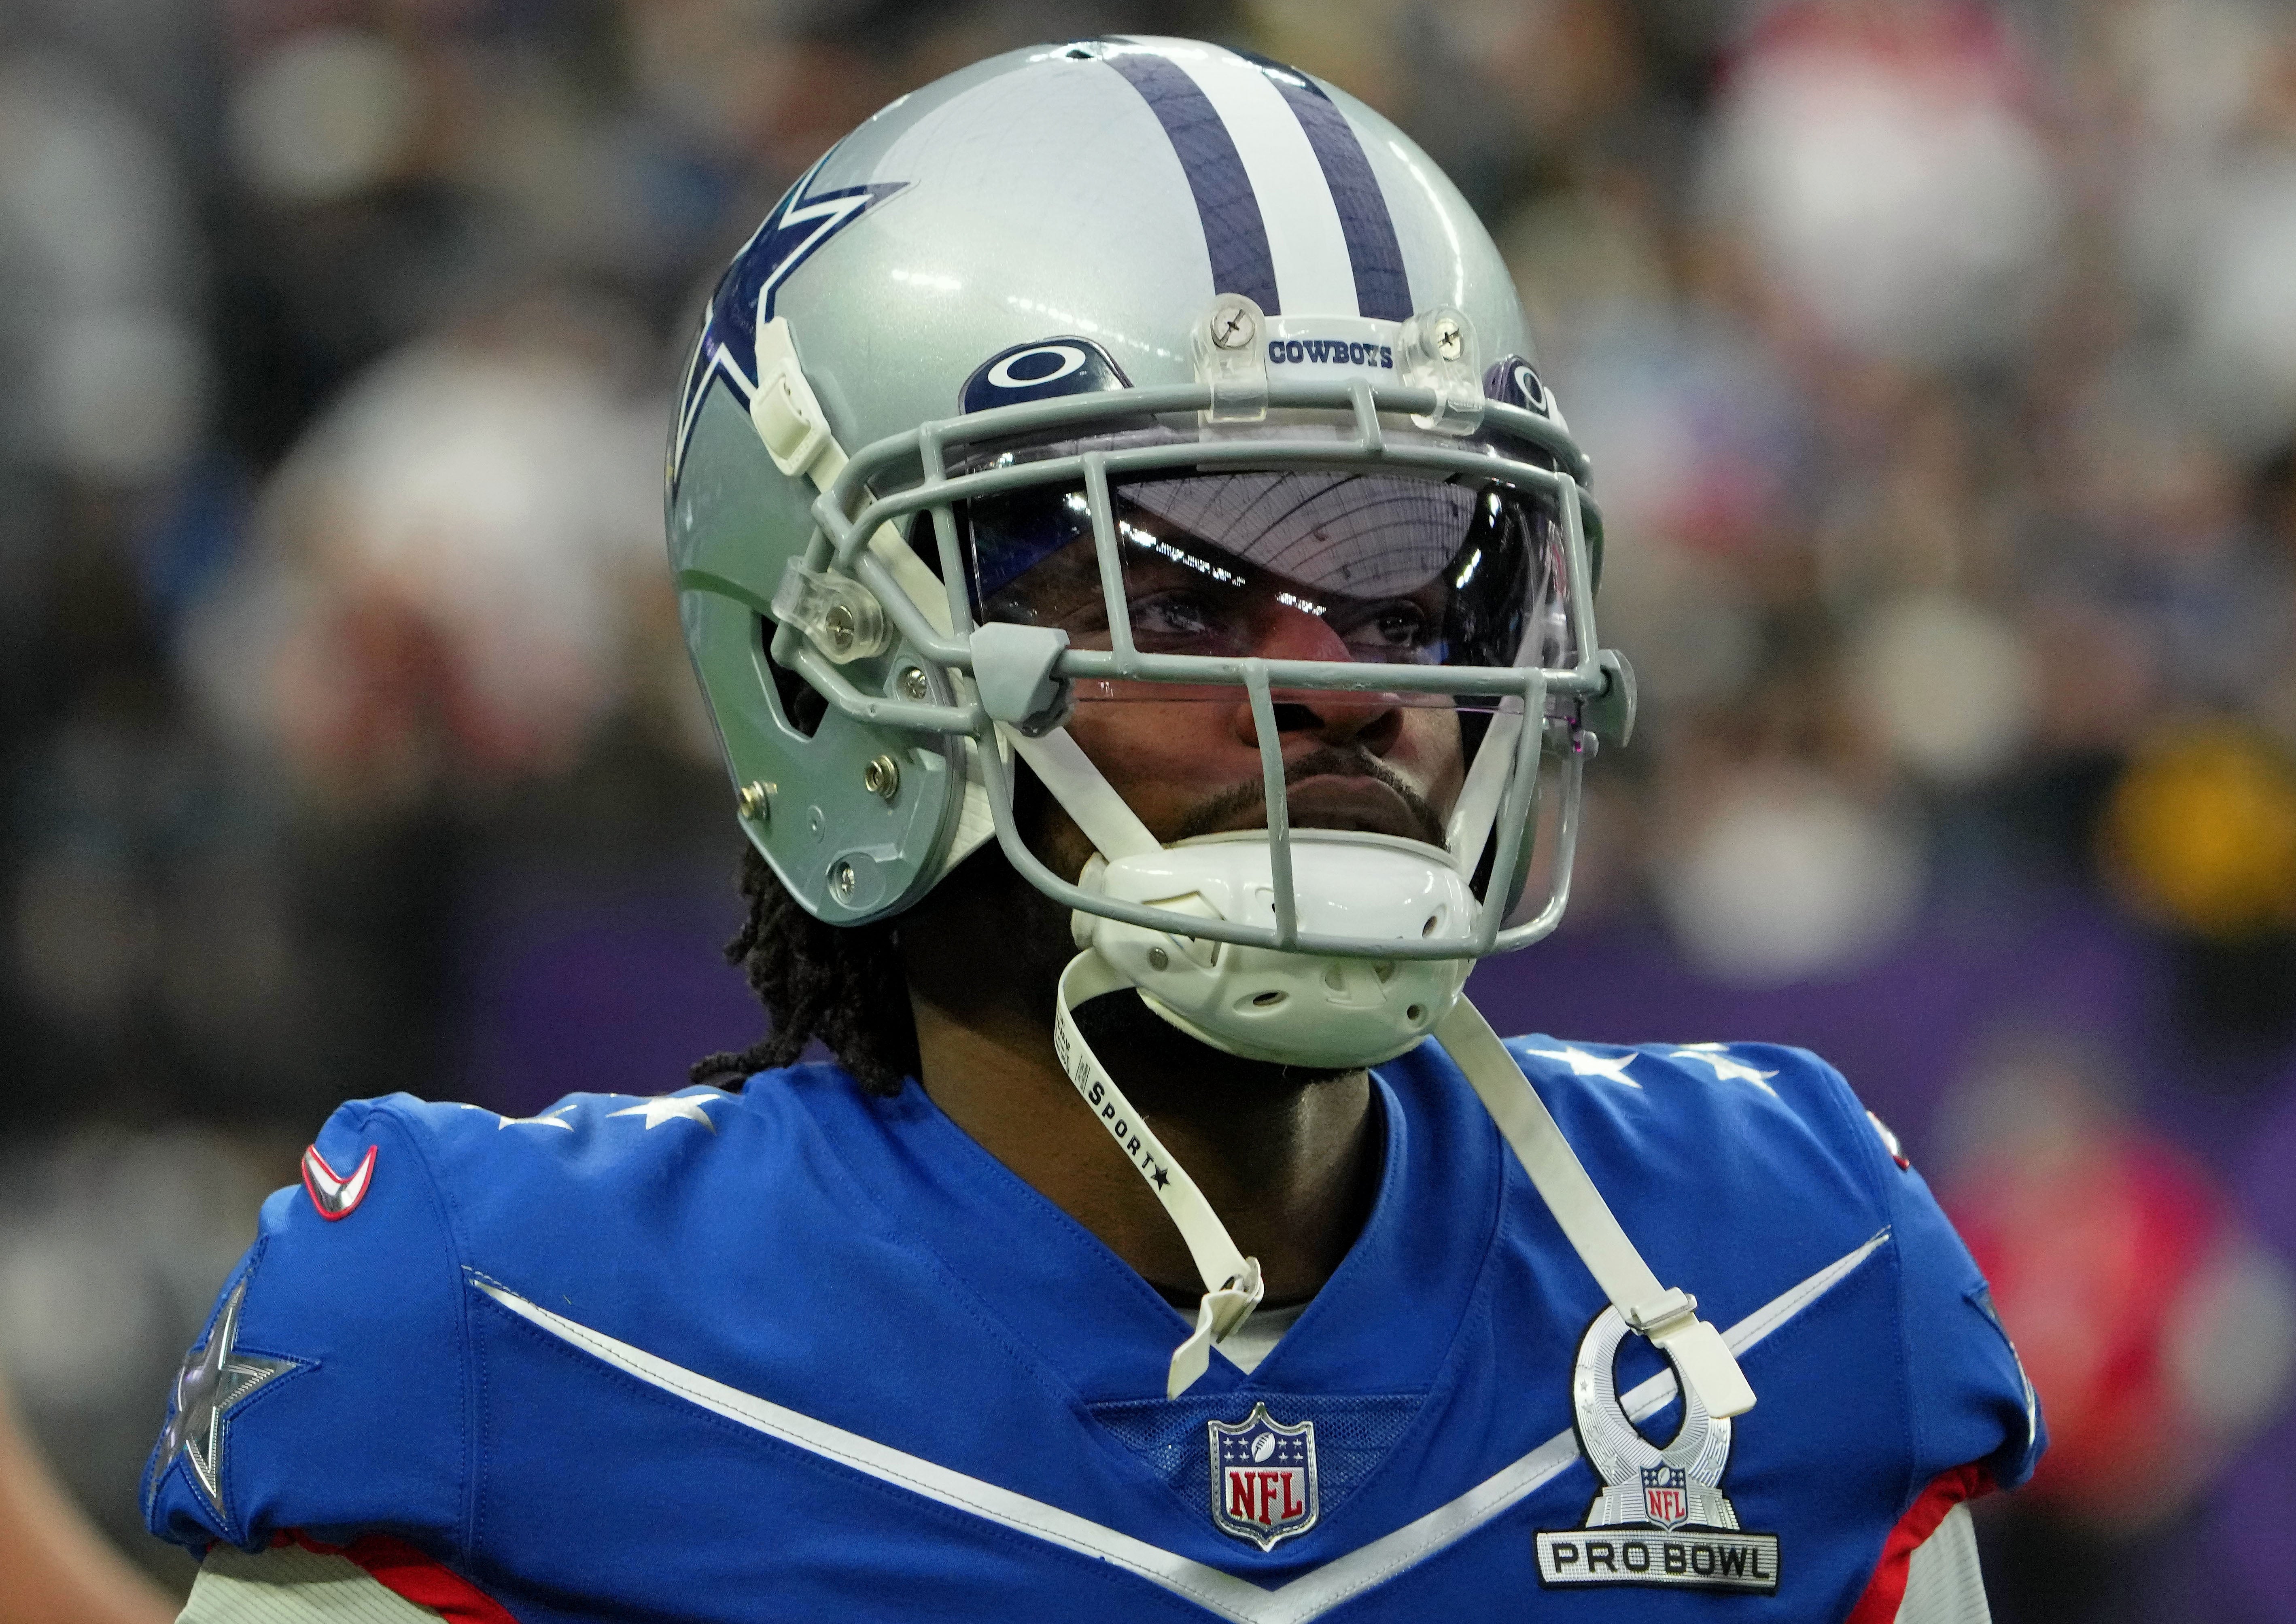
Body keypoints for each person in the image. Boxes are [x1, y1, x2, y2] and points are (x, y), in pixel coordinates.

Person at [144, 37, 2039, 1622]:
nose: (1341, 680)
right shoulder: (502, 1327)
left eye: (1411, 584)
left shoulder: (1782, 1269)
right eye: (1182, 587)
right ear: (832, 660)